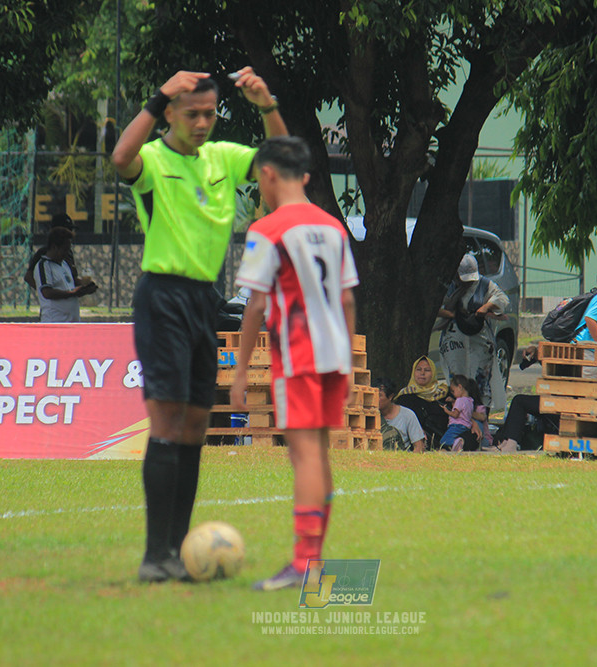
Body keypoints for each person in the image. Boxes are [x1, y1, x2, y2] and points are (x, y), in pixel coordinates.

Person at [111, 68, 287, 583]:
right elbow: (120, 159)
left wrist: (265, 104)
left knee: (194, 428)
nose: (204, 123)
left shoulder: (223, 158)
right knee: (166, 424)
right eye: (193, 114)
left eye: (210, 113)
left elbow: (282, 160)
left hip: (204, 302)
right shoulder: (154, 160)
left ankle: (180, 553)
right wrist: (155, 94)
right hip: (162, 297)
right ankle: (154, 555)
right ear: (170, 113)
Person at [230, 136, 358, 591]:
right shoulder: (334, 227)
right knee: (319, 455)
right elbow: (345, 299)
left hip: (299, 355)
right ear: (306, 176)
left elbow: (255, 306)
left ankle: (304, 563)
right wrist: (345, 354)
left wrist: (242, 370)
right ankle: (315, 559)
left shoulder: (266, 230)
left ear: (267, 175)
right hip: (335, 356)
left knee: (303, 455)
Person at [436, 254, 510, 406]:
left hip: (479, 338)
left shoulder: (484, 285)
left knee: (481, 381)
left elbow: (503, 299)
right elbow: (435, 307)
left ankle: (481, 414)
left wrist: (486, 307)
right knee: (458, 379)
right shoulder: (448, 286)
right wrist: (452, 314)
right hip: (454, 339)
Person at [33, 227, 95, 322]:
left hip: (72, 322)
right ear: (54, 247)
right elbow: (47, 292)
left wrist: (84, 289)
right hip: (55, 322)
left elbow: (69, 286)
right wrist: (71, 293)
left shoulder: (64, 264)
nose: (66, 253)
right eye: (65, 250)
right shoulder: (44, 265)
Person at [24, 213, 88, 291]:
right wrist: (44, 291)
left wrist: (84, 285)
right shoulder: (44, 253)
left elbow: (71, 279)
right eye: (67, 230)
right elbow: (28, 276)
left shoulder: (68, 253)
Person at [394, 356, 450, 441]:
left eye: (427, 370)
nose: (422, 373)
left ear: (433, 373)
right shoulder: (405, 396)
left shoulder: (443, 393)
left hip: (446, 439)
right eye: (418, 369)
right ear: (413, 372)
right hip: (418, 441)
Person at [375, 378, 427, 453]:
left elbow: (419, 446)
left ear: (390, 397)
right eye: (373, 395)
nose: (375, 398)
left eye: (379, 395)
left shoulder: (408, 415)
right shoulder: (368, 415)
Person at [439, 375, 475, 452]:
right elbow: (463, 409)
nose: (453, 393)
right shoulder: (470, 400)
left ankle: (457, 443)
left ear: (460, 387)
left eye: (453, 391)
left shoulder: (459, 400)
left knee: (443, 441)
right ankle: (457, 444)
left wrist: (447, 411)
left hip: (456, 425)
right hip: (466, 426)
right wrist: (452, 401)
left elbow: (455, 414)